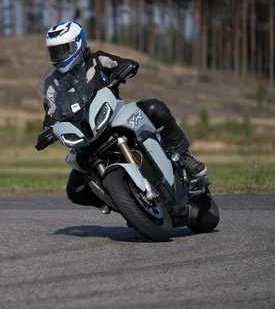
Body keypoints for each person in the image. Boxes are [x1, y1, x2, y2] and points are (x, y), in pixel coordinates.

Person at [40, 21, 207, 208]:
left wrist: (123, 70)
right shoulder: (52, 85)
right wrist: (47, 131)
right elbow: (50, 114)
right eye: (54, 52)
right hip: (85, 137)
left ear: (79, 43)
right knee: (74, 189)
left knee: (154, 108)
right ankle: (124, 203)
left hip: (114, 117)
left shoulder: (97, 59)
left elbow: (122, 63)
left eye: (64, 49)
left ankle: (184, 156)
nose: (59, 56)